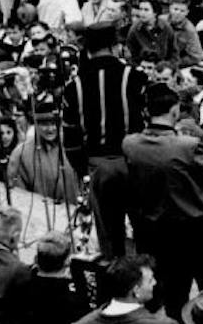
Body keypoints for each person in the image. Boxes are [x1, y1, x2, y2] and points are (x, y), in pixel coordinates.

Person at [124, 82, 203, 322]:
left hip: (151, 230)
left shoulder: (130, 144)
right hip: (193, 229)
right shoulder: (188, 146)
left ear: (146, 112)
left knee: (166, 292)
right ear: (175, 111)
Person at [61, 20, 145, 259]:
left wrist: (83, 168)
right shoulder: (134, 76)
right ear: (115, 46)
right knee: (142, 231)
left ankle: (116, 282)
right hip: (133, 165)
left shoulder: (73, 86)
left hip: (98, 166)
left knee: (109, 235)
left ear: (87, 49)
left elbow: (70, 136)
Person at [8, 107, 80, 200]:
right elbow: (18, 193)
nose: (50, 129)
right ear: (36, 125)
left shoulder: (72, 147)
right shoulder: (21, 153)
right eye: (44, 124)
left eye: (54, 124)